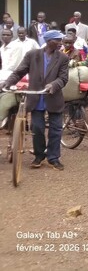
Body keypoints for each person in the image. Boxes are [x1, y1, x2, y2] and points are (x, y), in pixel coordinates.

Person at [4, 30, 69, 170]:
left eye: (60, 40)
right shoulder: (32, 55)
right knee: (37, 128)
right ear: (48, 41)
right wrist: (7, 83)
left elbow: (63, 78)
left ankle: (53, 158)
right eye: (57, 40)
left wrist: (53, 85)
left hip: (53, 97)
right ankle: (39, 155)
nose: (60, 43)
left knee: (56, 129)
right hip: (36, 97)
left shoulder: (63, 58)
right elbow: (19, 72)